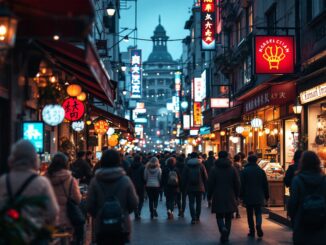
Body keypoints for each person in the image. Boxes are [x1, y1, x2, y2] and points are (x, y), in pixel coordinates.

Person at [0, 139, 59, 243]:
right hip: (34, 237)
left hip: (8, 237)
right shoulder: (41, 182)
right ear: (35, 159)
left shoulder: (3, 181)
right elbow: (53, 212)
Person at [87, 149, 139, 245]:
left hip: (101, 225)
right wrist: (123, 211)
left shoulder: (95, 181)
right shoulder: (125, 180)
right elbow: (134, 202)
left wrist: (99, 213)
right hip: (122, 224)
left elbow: (89, 204)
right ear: (118, 161)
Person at [288, 151, 326, 245]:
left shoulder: (297, 180)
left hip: (302, 221)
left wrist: (293, 218)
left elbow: (293, 202)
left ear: (302, 163)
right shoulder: (323, 180)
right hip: (321, 222)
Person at [46, 152, 83, 244]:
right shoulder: (70, 179)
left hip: (48, 220)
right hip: (66, 220)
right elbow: (78, 199)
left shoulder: (44, 179)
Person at [207, 151, 240, 243]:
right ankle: (226, 235)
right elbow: (237, 183)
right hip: (230, 194)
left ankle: (222, 228)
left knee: (219, 215)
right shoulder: (232, 169)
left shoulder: (214, 169)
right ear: (227, 157)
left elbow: (210, 184)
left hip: (218, 195)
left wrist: (209, 196)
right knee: (229, 217)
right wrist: (237, 195)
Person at [240, 154, 269, 238]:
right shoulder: (261, 171)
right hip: (259, 195)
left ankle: (252, 230)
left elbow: (242, 184)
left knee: (249, 214)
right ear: (256, 161)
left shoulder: (244, 171)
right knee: (258, 212)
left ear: (248, 161)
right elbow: (265, 185)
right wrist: (267, 196)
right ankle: (258, 225)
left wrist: (241, 195)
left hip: (248, 195)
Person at [182, 152, 208, 224]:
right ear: (197, 157)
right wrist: (205, 186)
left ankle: (193, 218)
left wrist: (183, 187)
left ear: (190, 157)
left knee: (191, 203)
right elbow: (205, 177)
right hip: (200, 187)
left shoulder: (187, 166)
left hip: (190, 187)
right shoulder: (201, 165)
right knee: (199, 203)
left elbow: (184, 178)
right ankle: (197, 217)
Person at [128, 154, 145, 219]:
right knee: (141, 199)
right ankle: (139, 211)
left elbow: (128, 175)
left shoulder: (130, 167)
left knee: (135, 199)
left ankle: (136, 212)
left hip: (132, 185)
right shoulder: (142, 167)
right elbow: (144, 177)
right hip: (140, 185)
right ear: (140, 159)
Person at [233, 154, 242, 218]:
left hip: (233, 184)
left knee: (233, 198)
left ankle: (233, 212)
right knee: (236, 198)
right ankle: (237, 213)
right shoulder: (239, 166)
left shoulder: (232, 166)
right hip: (238, 183)